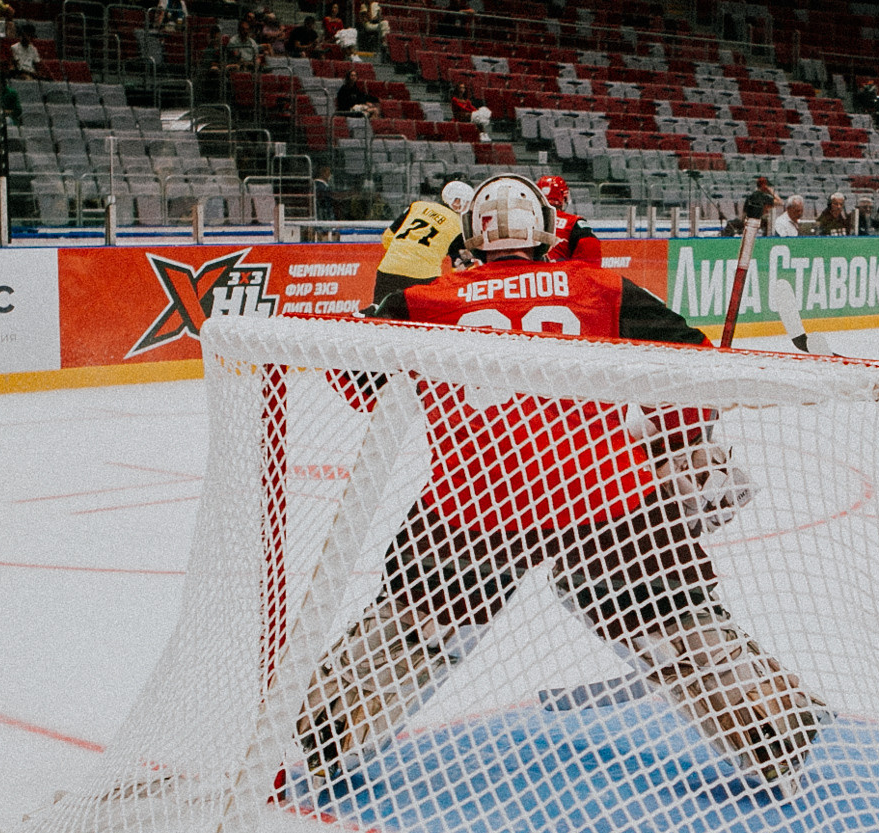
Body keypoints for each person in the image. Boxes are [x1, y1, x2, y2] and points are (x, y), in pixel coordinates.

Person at [287, 174, 816, 799]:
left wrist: (385, 310)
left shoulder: (428, 300)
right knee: (674, 620)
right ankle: (767, 723)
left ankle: (333, 723)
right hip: (604, 495)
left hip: (473, 502)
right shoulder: (601, 287)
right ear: (545, 233)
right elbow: (696, 375)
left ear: (470, 238)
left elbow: (358, 388)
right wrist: (671, 441)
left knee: (415, 622)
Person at [373, 179, 469, 303]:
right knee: (421, 318)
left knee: (380, 316)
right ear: (456, 202)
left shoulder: (416, 206)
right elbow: (459, 265)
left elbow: (387, 237)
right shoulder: (458, 224)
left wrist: (404, 253)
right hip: (423, 276)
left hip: (388, 268)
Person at [535, 174, 601, 264]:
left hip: (528, 274)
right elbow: (591, 257)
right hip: (560, 275)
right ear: (563, 197)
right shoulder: (574, 223)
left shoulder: (525, 220)